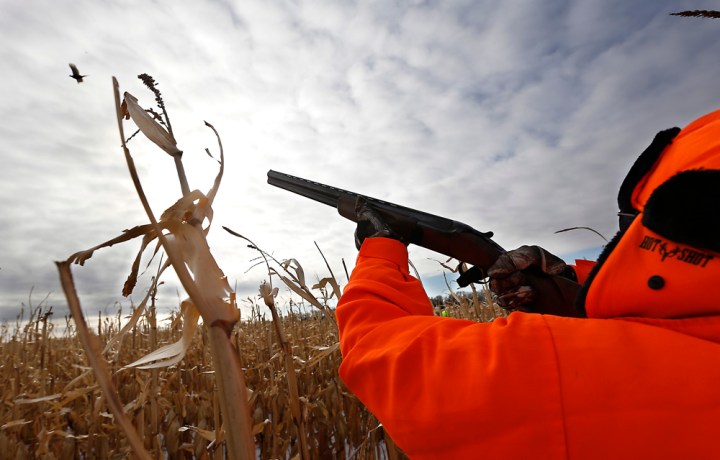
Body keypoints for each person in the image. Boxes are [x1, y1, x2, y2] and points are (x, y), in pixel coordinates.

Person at [335, 108, 720, 459]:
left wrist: (380, 247)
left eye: (638, 218)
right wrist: (567, 282)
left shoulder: (549, 368)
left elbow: (376, 347)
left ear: (676, 217)